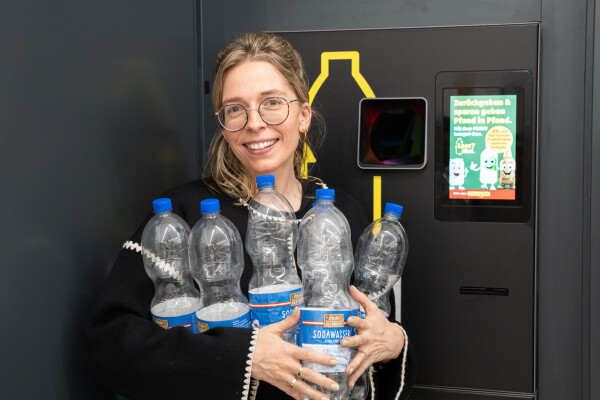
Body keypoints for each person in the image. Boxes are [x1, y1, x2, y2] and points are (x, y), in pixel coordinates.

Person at [86, 32, 415, 400]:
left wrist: (394, 341)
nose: (254, 122)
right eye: (235, 109)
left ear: (303, 115)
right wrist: (243, 357)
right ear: (224, 127)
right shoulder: (183, 214)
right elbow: (110, 343)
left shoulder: (343, 214)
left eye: (272, 102)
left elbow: (379, 325)